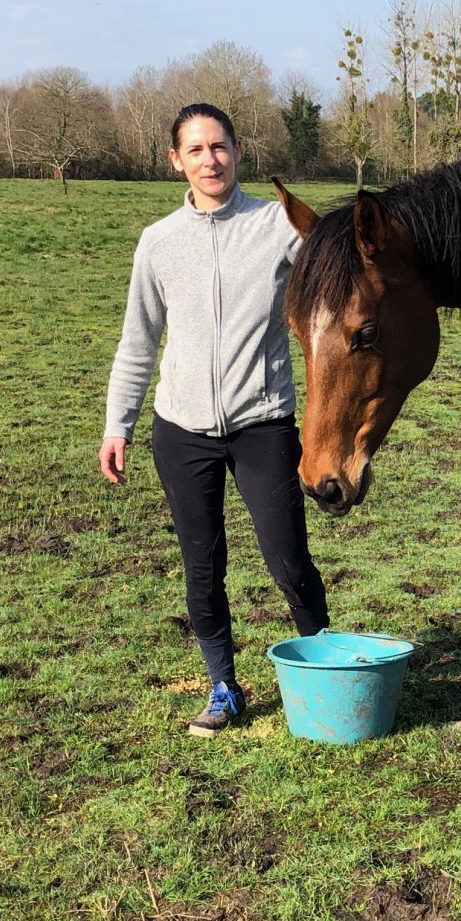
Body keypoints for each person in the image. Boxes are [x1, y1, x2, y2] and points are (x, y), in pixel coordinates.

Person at [99, 102, 328, 737]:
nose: (210, 160)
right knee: (202, 566)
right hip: (181, 431)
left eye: (219, 146)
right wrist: (118, 424)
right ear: (176, 160)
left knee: (288, 560)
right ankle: (224, 685)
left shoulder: (277, 226)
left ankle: (322, 667)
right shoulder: (158, 242)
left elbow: (337, 276)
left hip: (264, 424)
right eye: (196, 150)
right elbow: (139, 341)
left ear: (237, 151)